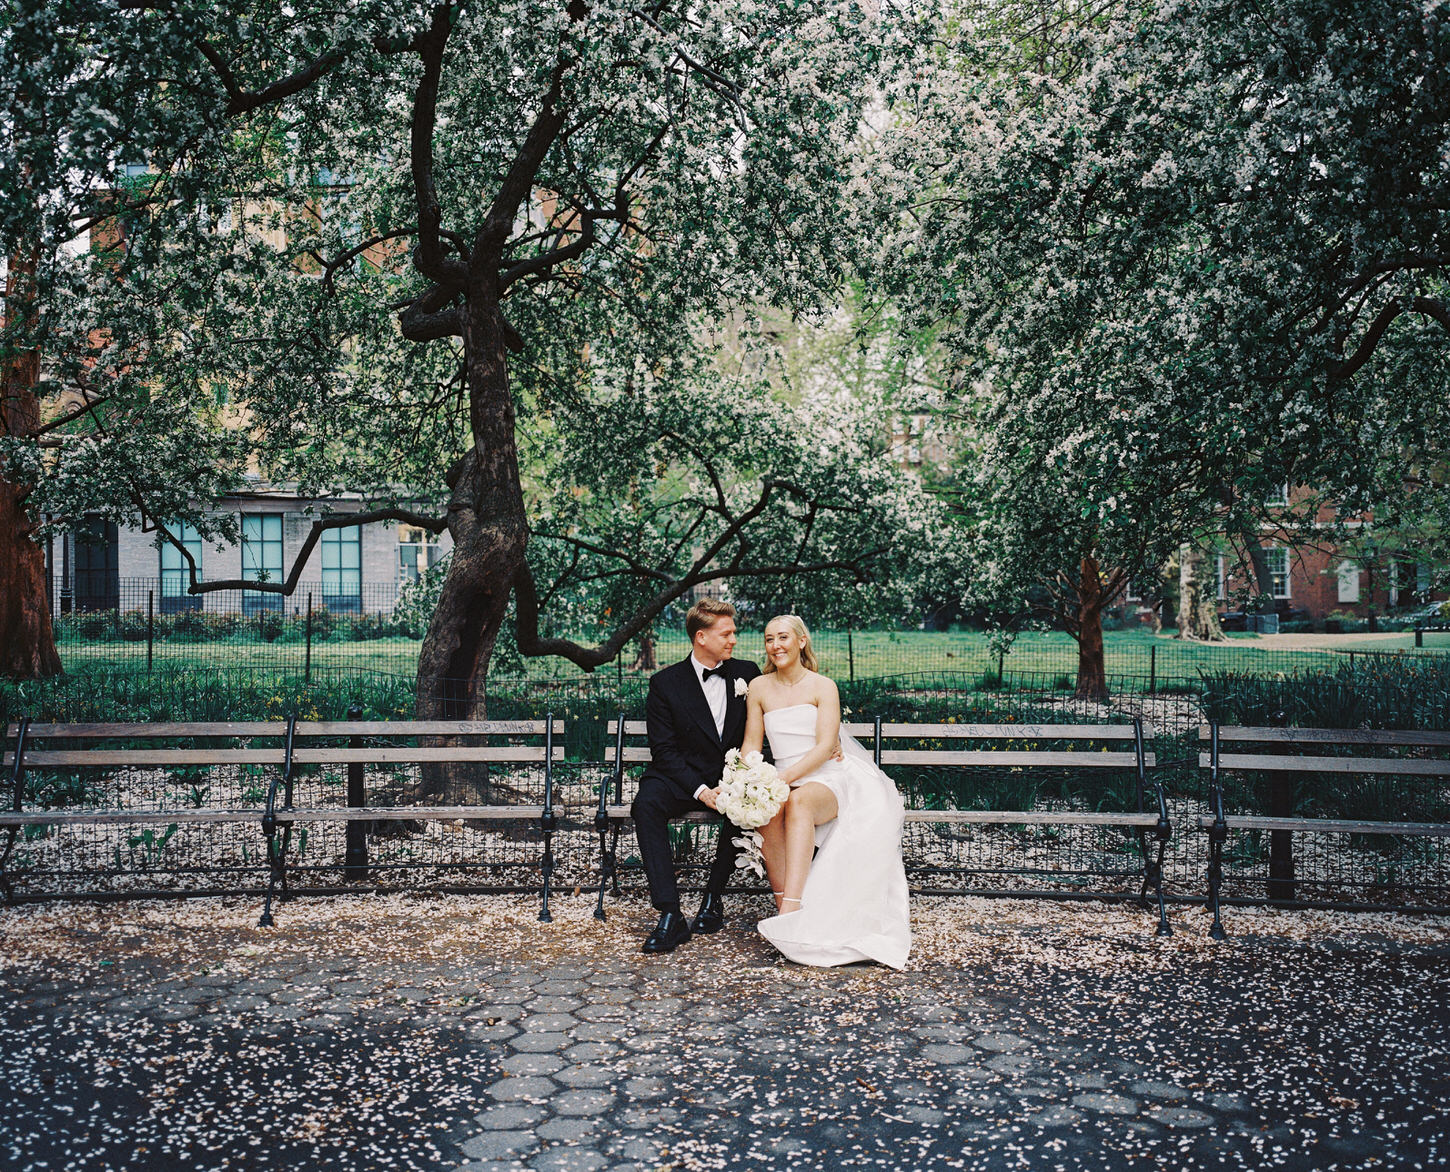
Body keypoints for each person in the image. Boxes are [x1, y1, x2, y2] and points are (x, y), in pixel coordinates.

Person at [745, 615, 911, 969]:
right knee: (769, 809)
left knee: (799, 800)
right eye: (769, 639)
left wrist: (782, 778)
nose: (776, 645)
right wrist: (748, 779)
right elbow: (751, 744)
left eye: (783, 638)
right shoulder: (758, 688)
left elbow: (823, 748)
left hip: (829, 777)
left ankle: (792, 907)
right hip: (784, 776)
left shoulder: (823, 686)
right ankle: (784, 915)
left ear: (801, 641)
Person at [634, 598, 762, 954]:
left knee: (748, 804)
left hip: (730, 776)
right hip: (680, 777)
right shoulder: (665, 683)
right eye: (727, 633)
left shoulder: (748, 674)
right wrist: (701, 788)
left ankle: (713, 898)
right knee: (645, 805)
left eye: (734, 632)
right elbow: (664, 751)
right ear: (701, 637)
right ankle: (670, 913)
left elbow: (778, 712)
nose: (734, 639)